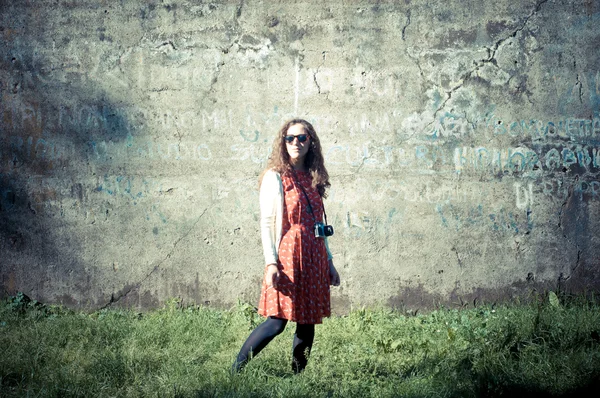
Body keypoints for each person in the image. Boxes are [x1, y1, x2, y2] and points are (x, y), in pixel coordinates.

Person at [232, 118, 340, 374]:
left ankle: (298, 377)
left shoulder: (313, 178)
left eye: (302, 138)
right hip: (288, 255)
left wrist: (330, 262)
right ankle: (235, 370)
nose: (295, 143)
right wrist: (271, 262)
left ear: (310, 142)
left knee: (307, 321)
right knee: (277, 321)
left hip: (314, 256)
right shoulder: (276, 177)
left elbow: (319, 224)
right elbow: (267, 222)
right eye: (290, 138)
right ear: (283, 142)